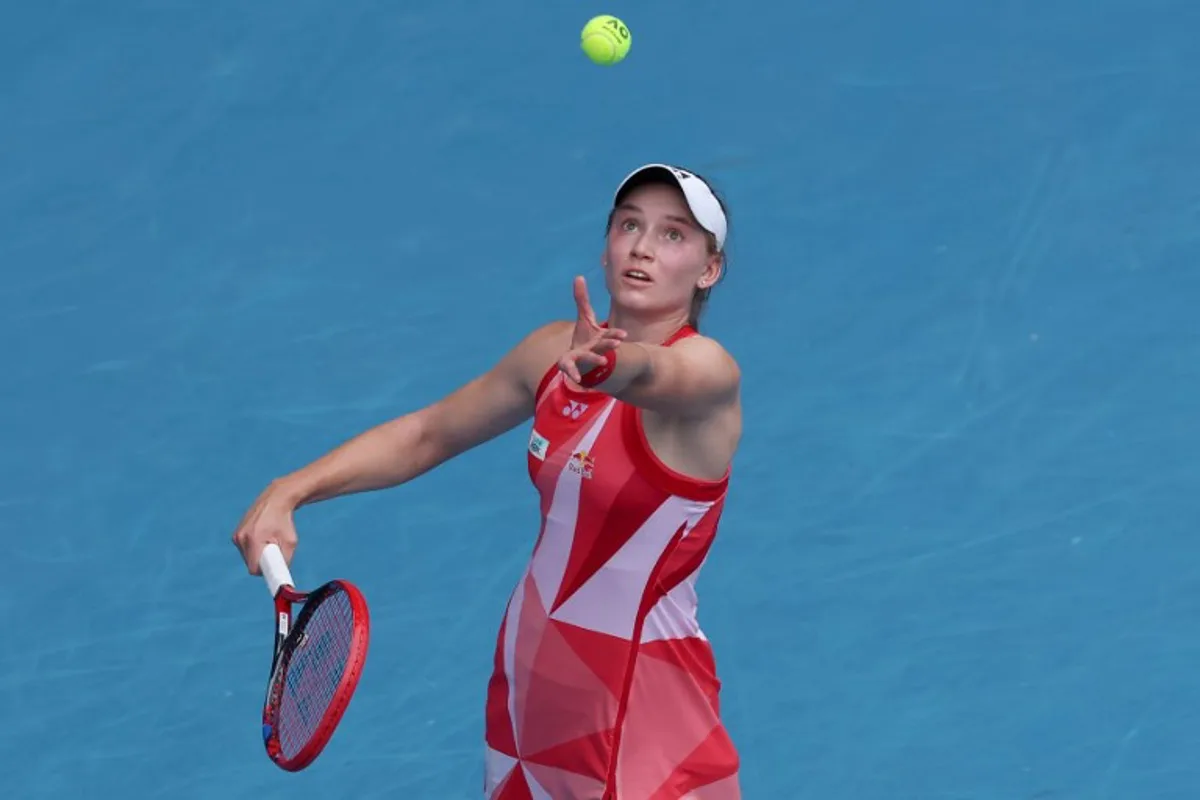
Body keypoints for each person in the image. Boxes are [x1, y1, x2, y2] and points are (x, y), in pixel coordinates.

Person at [232, 163, 744, 799]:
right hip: (530, 700)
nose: (642, 246)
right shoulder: (551, 354)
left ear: (708, 269)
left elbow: (661, 376)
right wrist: (293, 488)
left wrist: (617, 362)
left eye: (673, 236)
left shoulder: (708, 374)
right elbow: (428, 433)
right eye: (629, 225)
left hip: (646, 718)